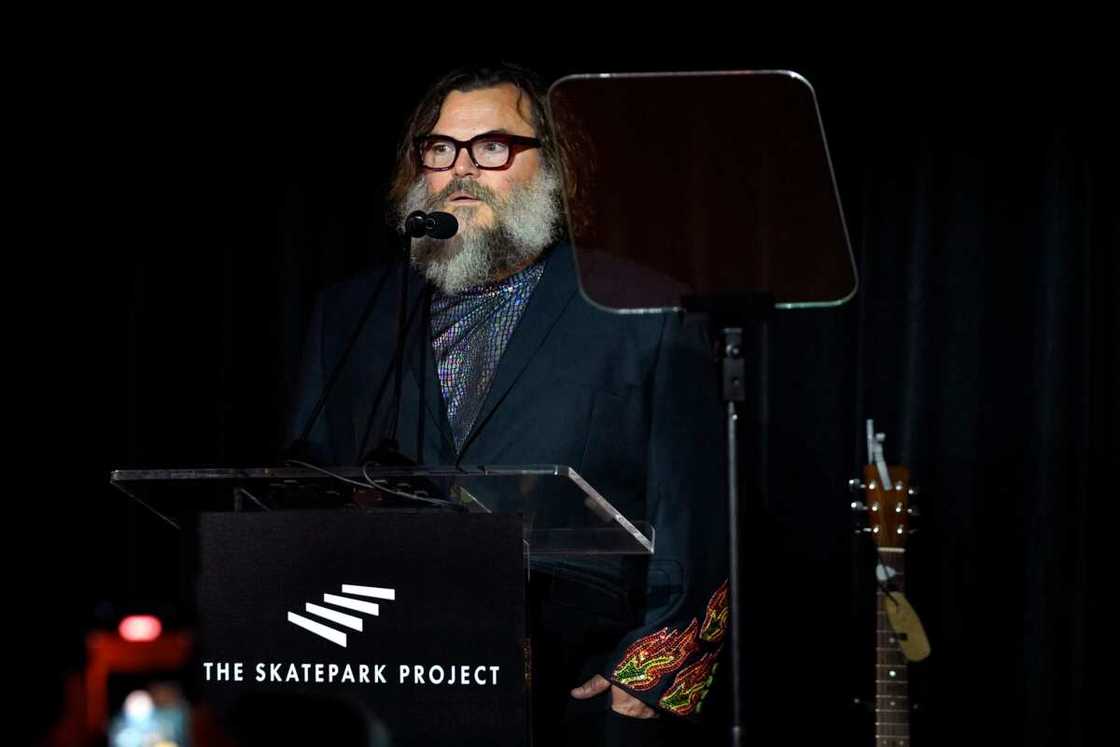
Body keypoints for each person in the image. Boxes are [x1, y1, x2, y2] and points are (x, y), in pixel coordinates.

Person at [290, 63, 729, 746]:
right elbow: (302, 492)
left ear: (551, 168)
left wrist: (650, 678)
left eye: (492, 147)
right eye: (441, 149)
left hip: (576, 685)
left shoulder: (640, 308)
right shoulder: (354, 318)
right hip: (390, 676)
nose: (462, 170)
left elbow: (698, 512)